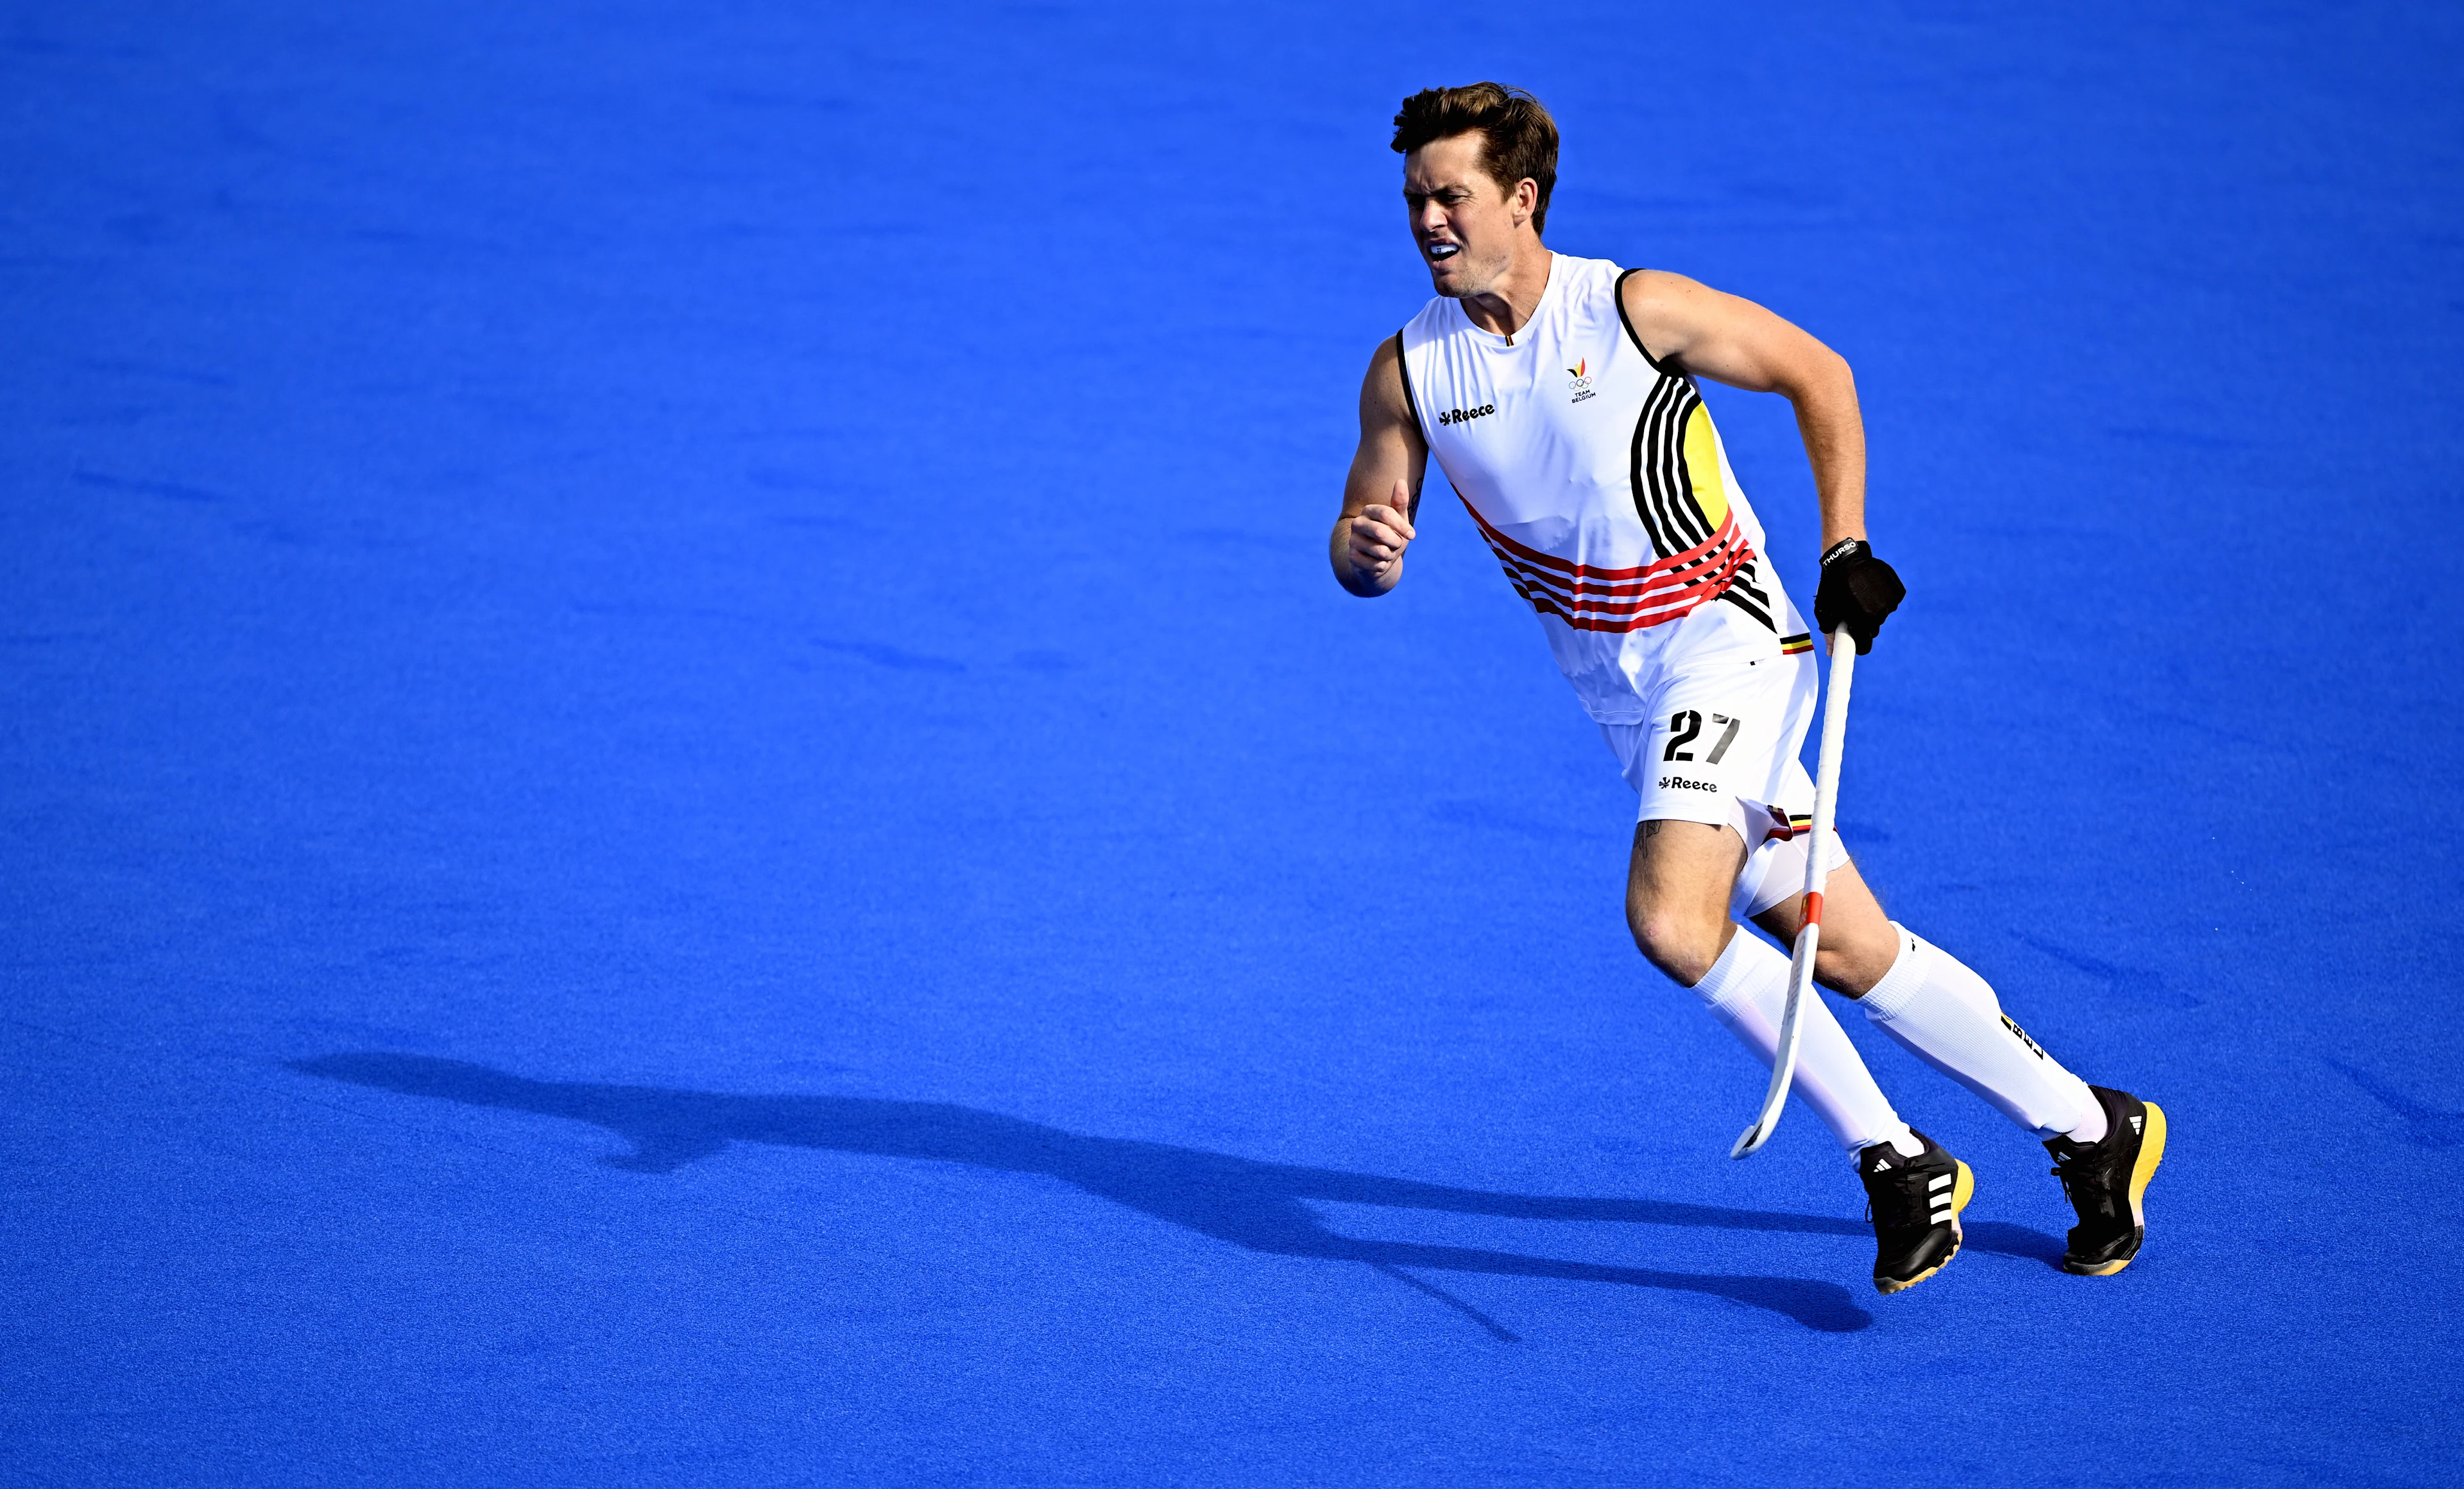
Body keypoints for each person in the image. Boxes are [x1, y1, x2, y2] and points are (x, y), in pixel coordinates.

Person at [1329, 83, 2166, 1293]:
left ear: (1520, 198)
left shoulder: (1632, 310)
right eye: (1414, 199)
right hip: (1621, 701)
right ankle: (2093, 1126)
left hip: (1728, 648)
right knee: (1850, 946)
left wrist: (1845, 548)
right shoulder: (1407, 369)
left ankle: (1894, 1159)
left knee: (1673, 918)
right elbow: (1371, 532)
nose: (1427, 221)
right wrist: (1364, 551)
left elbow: (1815, 372)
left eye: (1450, 195)